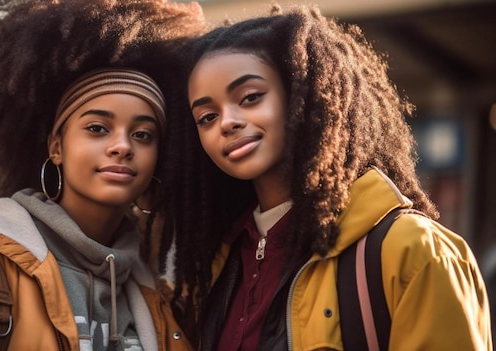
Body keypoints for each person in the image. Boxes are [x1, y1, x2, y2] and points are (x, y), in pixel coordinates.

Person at [0, 0, 206, 350]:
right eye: (97, 128)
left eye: (142, 134)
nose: (122, 146)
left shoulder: (163, 296)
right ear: (56, 147)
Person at [159, 4, 493, 350]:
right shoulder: (214, 268)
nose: (227, 122)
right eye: (207, 117)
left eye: (250, 97)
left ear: (306, 94)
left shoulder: (412, 249)